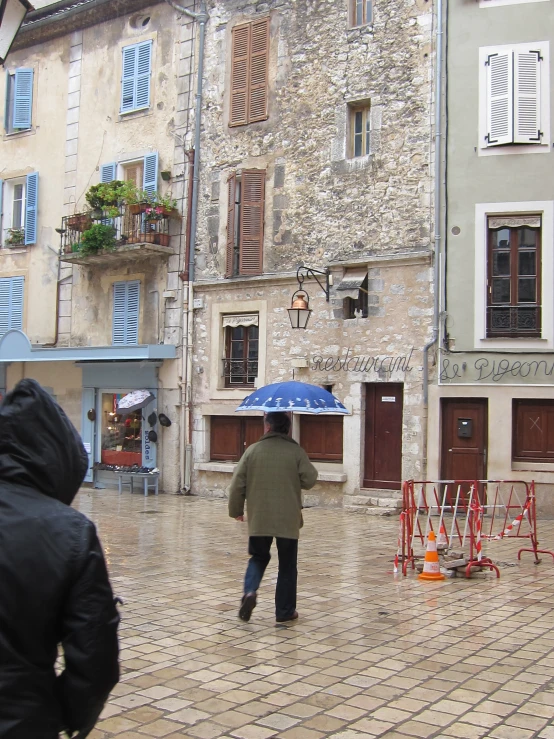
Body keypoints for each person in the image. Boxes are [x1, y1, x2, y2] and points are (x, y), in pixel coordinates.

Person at [0, 379, 120, 739]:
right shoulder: (70, 533)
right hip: (22, 718)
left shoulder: (70, 532)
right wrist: (66, 715)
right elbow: (94, 655)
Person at [228, 411, 318, 624]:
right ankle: (285, 611)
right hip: (288, 519)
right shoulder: (295, 451)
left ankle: (250, 591)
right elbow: (310, 479)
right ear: (286, 429)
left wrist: (237, 511)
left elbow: (237, 484)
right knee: (287, 564)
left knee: (258, 557)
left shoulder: (252, 451)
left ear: (267, 427)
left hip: (260, 518)